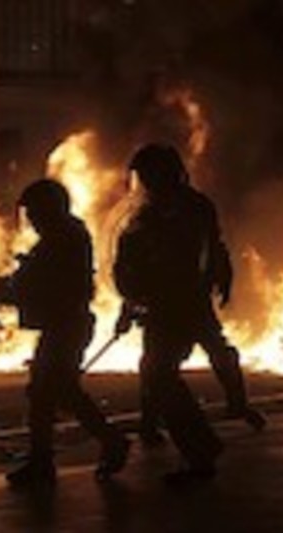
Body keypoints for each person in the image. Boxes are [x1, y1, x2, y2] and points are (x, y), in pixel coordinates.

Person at [0, 179, 130, 488]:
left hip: (66, 325)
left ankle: (95, 446)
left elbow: (51, 282)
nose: (31, 219)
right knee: (55, 393)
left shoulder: (63, 238)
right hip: (62, 325)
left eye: (34, 212)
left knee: (49, 392)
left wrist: (17, 286)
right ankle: (55, 456)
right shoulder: (64, 235)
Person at [113, 143, 224, 483]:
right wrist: (130, 302)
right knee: (157, 373)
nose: (144, 182)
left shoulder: (184, 209)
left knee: (159, 375)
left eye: (148, 174)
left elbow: (192, 256)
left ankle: (199, 452)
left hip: (178, 305)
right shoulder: (160, 210)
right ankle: (199, 445)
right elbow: (137, 263)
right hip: (164, 305)